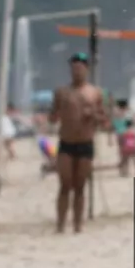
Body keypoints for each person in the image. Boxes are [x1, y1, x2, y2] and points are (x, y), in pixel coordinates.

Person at [49, 52, 106, 233]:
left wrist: (93, 115)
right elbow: (52, 117)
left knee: (80, 186)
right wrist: (58, 114)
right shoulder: (62, 92)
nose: (77, 71)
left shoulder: (94, 92)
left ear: (86, 70)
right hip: (66, 142)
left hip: (85, 142)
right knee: (65, 184)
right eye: (74, 68)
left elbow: (104, 120)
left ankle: (77, 225)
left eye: (80, 68)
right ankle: (60, 224)